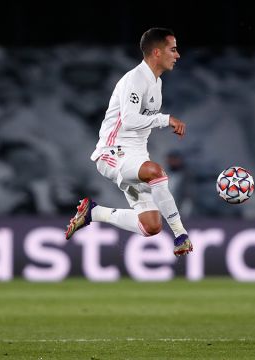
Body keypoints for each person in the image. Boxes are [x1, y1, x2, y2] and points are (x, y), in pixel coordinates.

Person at [64, 28, 192, 256]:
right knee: (155, 172)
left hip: (136, 156)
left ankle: (93, 213)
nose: (178, 55)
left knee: (151, 226)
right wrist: (166, 119)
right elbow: (130, 120)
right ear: (156, 52)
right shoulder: (135, 79)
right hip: (112, 153)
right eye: (172, 49)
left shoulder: (156, 83)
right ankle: (181, 234)